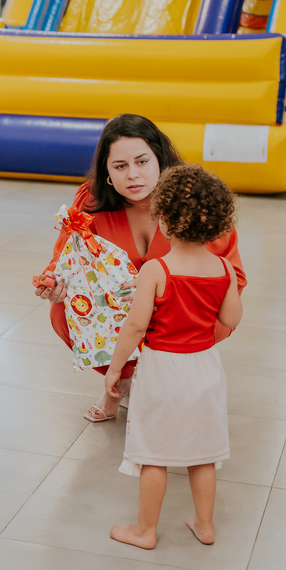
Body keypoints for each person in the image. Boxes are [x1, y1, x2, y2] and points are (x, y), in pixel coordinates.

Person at [33, 114, 246, 422]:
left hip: (182, 311)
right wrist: (54, 281)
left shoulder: (193, 200)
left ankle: (146, 381)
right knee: (64, 308)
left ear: (160, 159)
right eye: (120, 166)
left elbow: (231, 276)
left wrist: (168, 294)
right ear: (107, 171)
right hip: (121, 311)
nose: (133, 175)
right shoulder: (91, 201)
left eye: (142, 162)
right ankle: (119, 383)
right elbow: (67, 255)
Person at [105, 165, 243, 550]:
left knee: (154, 455)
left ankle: (145, 531)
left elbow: (134, 327)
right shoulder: (225, 269)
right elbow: (231, 318)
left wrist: (115, 368)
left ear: (163, 220)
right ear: (219, 221)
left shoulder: (156, 269)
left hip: (162, 370)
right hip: (204, 368)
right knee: (203, 455)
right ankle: (205, 525)